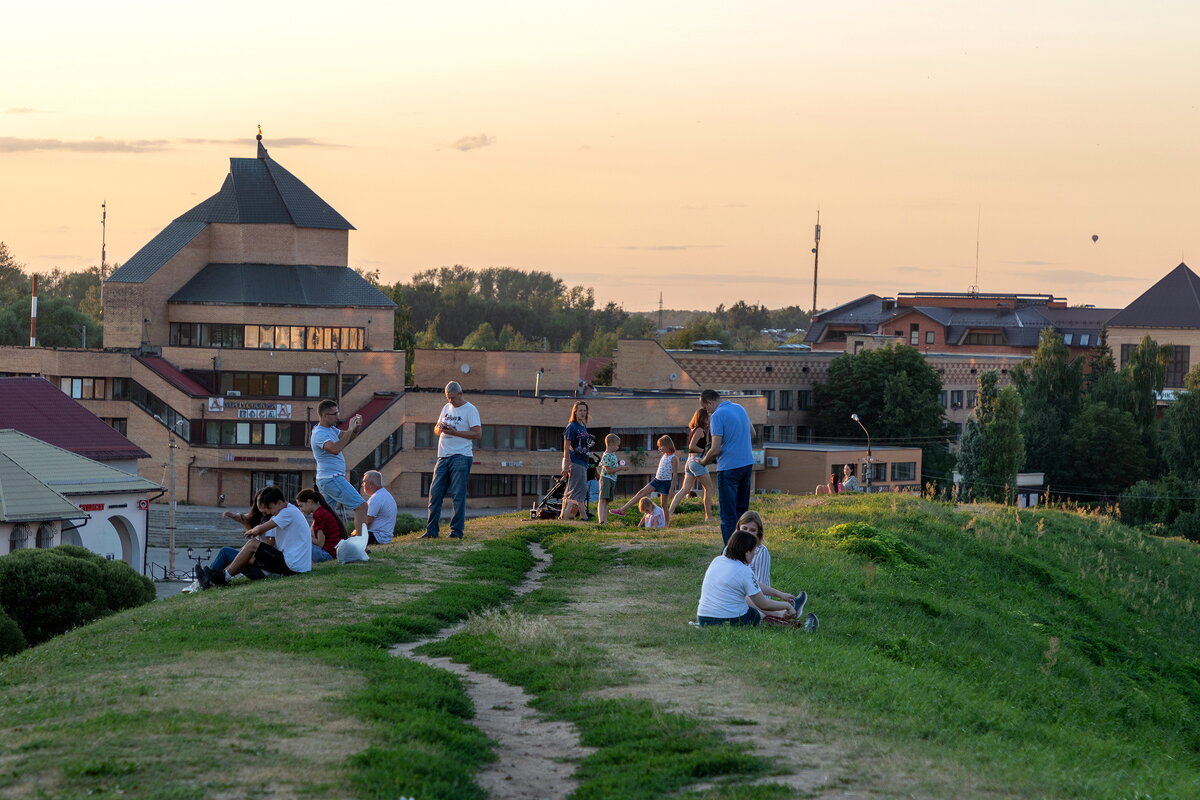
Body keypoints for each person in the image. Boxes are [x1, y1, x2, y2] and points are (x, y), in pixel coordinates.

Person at [197, 486, 312, 588]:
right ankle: (211, 578)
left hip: (293, 566)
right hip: (295, 564)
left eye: (270, 509)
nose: (270, 513)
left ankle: (223, 577)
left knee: (252, 544)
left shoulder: (288, 513)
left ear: (279, 502)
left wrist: (251, 532)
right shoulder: (288, 511)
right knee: (248, 547)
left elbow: (261, 529)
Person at [695, 529, 797, 626]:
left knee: (747, 605)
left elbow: (754, 584)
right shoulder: (745, 571)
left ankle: (778, 617)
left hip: (704, 618)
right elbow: (763, 604)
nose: (754, 554)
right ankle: (779, 620)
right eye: (754, 551)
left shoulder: (717, 560)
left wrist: (781, 595)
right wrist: (787, 605)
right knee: (756, 614)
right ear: (747, 552)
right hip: (729, 619)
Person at [738, 511, 817, 630]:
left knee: (746, 595)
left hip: (756, 597)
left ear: (759, 533)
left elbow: (758, 583)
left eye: (752, 530)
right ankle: (785, 613)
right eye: (744, 529)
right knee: (743, 595)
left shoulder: (761, 551)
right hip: (740, 597)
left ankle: (784, 612)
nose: (747, 534)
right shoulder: (729, 550)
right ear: (738, 528)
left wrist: (779, 595)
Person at [422, 381, 482, 539]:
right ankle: (431, 532)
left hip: (461, 456)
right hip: (443, 456)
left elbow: (477, 433)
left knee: (458, 495)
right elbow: (435, 429)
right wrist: (440, 429)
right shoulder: (446, 408)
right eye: (448, 398)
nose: (450, 401)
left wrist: (455, 433)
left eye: (453, 398)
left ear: (461, 394)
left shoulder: (470, 409)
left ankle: (456, 532)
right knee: (435, 494)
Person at [698, 389, 754, 544]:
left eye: (706, 407)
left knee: (728, 514)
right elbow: (753, 433)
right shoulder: (740, 408)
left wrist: (703, 462)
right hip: (747, 463)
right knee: (742, 511)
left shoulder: (717, 416)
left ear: (710, 402)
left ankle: (731, 550)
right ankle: (745, 547)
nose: (707, 411)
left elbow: (715, 449)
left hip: (729, 467)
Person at [311, 399, 367, 538]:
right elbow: (335, 449)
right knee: (361, 506)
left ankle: (311, 541)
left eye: (338, 412)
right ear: (324, 416)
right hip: (331, 478)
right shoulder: (319, 433)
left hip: (328, 478)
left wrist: (355, 428)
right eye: (334, 414)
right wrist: (349, 429)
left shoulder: (331, 429)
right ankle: (361, 544)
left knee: (325, 515)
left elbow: (347, 439)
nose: (337, 416)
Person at [611, 435, 677, 525]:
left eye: (660, 446)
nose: (659, 449)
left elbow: (675, 474)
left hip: (665, 483)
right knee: (641, 493)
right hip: (657, 480)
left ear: (667, 445)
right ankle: (622, 510)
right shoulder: (664, 456)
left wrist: (672, 489)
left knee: (663, 505)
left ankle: (666, 525)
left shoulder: (673, 458)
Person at [667, 407, 715, 521]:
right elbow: (692, 447)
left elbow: (703, 443)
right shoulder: (699, 430)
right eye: (708, 417)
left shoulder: (696, 429)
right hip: (696, 461)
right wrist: (705, 453)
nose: (709, 419)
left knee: (684, 490)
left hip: (689, 462)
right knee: (709, 488)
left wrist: (707, 429)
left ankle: (669, 513)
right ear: (703, 418)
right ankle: (709, 516)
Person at [560, 401, 593, 521]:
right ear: (575, 411)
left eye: (585, 410)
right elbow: (566, 447)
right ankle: (583, 516)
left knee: (574, 489)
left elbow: (581, 444)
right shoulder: (572, 426)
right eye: (580, 410)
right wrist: (566, 464)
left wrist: (588, 444)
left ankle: (565, 516)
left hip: (583, 460)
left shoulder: (583, 425)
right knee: (579, 490)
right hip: (575, 461)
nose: (583, 413)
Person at [296, 486, 345, 563]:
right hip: (332, 553)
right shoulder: (321, 512)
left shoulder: (319, 515)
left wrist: (307, 537)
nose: (301, 510)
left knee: (299, 544)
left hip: (327, 555)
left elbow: (320, 543)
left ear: (309, 502)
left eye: (301, 506)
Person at [597, 433, 627, 524]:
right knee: (602, 500)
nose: (618, 447)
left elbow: (613, 466)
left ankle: (604, 521)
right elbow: (608, 470)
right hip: (606, 479)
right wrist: (620, 468)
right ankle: (601, 520)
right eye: (617, 445)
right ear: (610, 444)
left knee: (606, 501)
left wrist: (619, 465)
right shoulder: (606, 455)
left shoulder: (613, 455)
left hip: (612, 479)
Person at [361, 470, 397, 544]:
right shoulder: (384, 494)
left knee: (347, 541)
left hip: (377, 537)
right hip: (385, 537)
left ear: (371, 484)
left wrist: (355, 532)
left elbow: (367, 521)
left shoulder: (376, 498)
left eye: (364, 482)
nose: (362, 484)